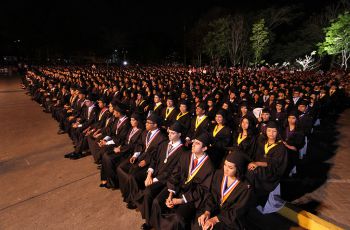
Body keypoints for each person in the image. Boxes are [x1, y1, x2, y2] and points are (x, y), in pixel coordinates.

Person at [150, 132, 214, 230]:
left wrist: (180, 200)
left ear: (204, 148)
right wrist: (171, 194)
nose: (193, 144)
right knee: (157, 202)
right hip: (177, 188)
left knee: (177, 217)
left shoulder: (209, 167)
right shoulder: (186, 155)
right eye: (194, 142)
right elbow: (175, 174)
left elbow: (201, 190)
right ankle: (155, 226)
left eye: (197, 143)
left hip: (192, 197)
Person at [137, 122, 186, 230]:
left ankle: (155, 223)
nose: (169, 135)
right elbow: (154, 160)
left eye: (173, 133)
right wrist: (149, 175)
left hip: (168, 181)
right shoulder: (164, 144)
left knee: (153, 197)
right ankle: (149, 220)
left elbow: (174, 172)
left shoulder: (183, 152)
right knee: (147, 192)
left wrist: (154, 179)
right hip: (156, 175)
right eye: (169, 132)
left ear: (179, 134)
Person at [117, 112, 167, 209]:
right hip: (140, 157)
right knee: (121, 167)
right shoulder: (145, 132)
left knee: (133, 176)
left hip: (151, 163)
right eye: (146, 122)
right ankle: (127, 193)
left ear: (155, 125)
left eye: (149, 123)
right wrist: (135, 155)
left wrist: (147, 161)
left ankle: (136, 200)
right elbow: (139, 145)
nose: (146, 124)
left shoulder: (162, 138)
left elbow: (158, 155)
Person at [194, 150, 252, 230]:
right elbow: (212, 195)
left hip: (230, 218)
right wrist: (207, 212)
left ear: (238, 169)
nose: (226, 169)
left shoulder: (245, 187)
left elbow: (237, 211)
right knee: (199, 224)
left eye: (230, 167)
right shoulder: (219, 174)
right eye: (225, 165)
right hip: (215, 209)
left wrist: (215, 219)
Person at [246, 121, 287, 207]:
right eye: (269, 130)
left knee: (254, 172)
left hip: (271, 171)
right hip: (258, 166)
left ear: (278, 132)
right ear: (265, 131)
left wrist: (258, 163)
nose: (271, 134)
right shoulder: (262, 142)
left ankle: (254, 198)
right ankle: (247, 194)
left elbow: (276, 164)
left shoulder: (281, 147)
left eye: (274, 131)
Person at [100, 112, 143, 189]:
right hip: (123, 148)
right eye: (131, 120)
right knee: (106, 155)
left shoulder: (141, 131)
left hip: (128, 152)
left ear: (138, 121)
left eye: (133, 120)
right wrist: (120, 146)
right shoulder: (131, 128)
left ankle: (113, 182)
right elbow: (125, 140)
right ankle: (106, 179)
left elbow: (133, 146)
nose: (131, 122)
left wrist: (120, 149)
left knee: (109, 158)